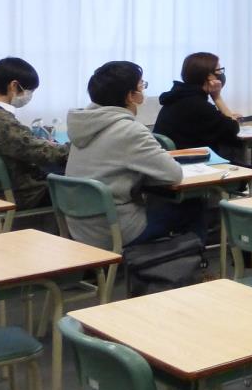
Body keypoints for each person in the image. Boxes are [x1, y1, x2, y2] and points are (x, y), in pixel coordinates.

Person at [65, 60, 190, 249]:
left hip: (80, 227)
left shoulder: (82, 124)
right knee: (192, 206)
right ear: (130, 96)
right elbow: (174, 175)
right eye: (142, 85)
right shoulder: (130, 131)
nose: (143, 91)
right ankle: (196, 271)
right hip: (115, 230)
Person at [0, 57, 69, 209]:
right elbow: (43, 153)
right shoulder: (0, 122)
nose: (29, 95)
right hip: (22, 194)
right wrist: (74, 148)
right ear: (14, 86)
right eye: (30, 90)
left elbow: (21, 144)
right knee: (80, 191)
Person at [152, 52, 242, 158]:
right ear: (208, 76)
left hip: (172, 160)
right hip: (193, 163)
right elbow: (233, 129)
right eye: (219, 70)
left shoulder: (177, 97)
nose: (221, 74)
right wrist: (217, 98)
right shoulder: (198, 105)